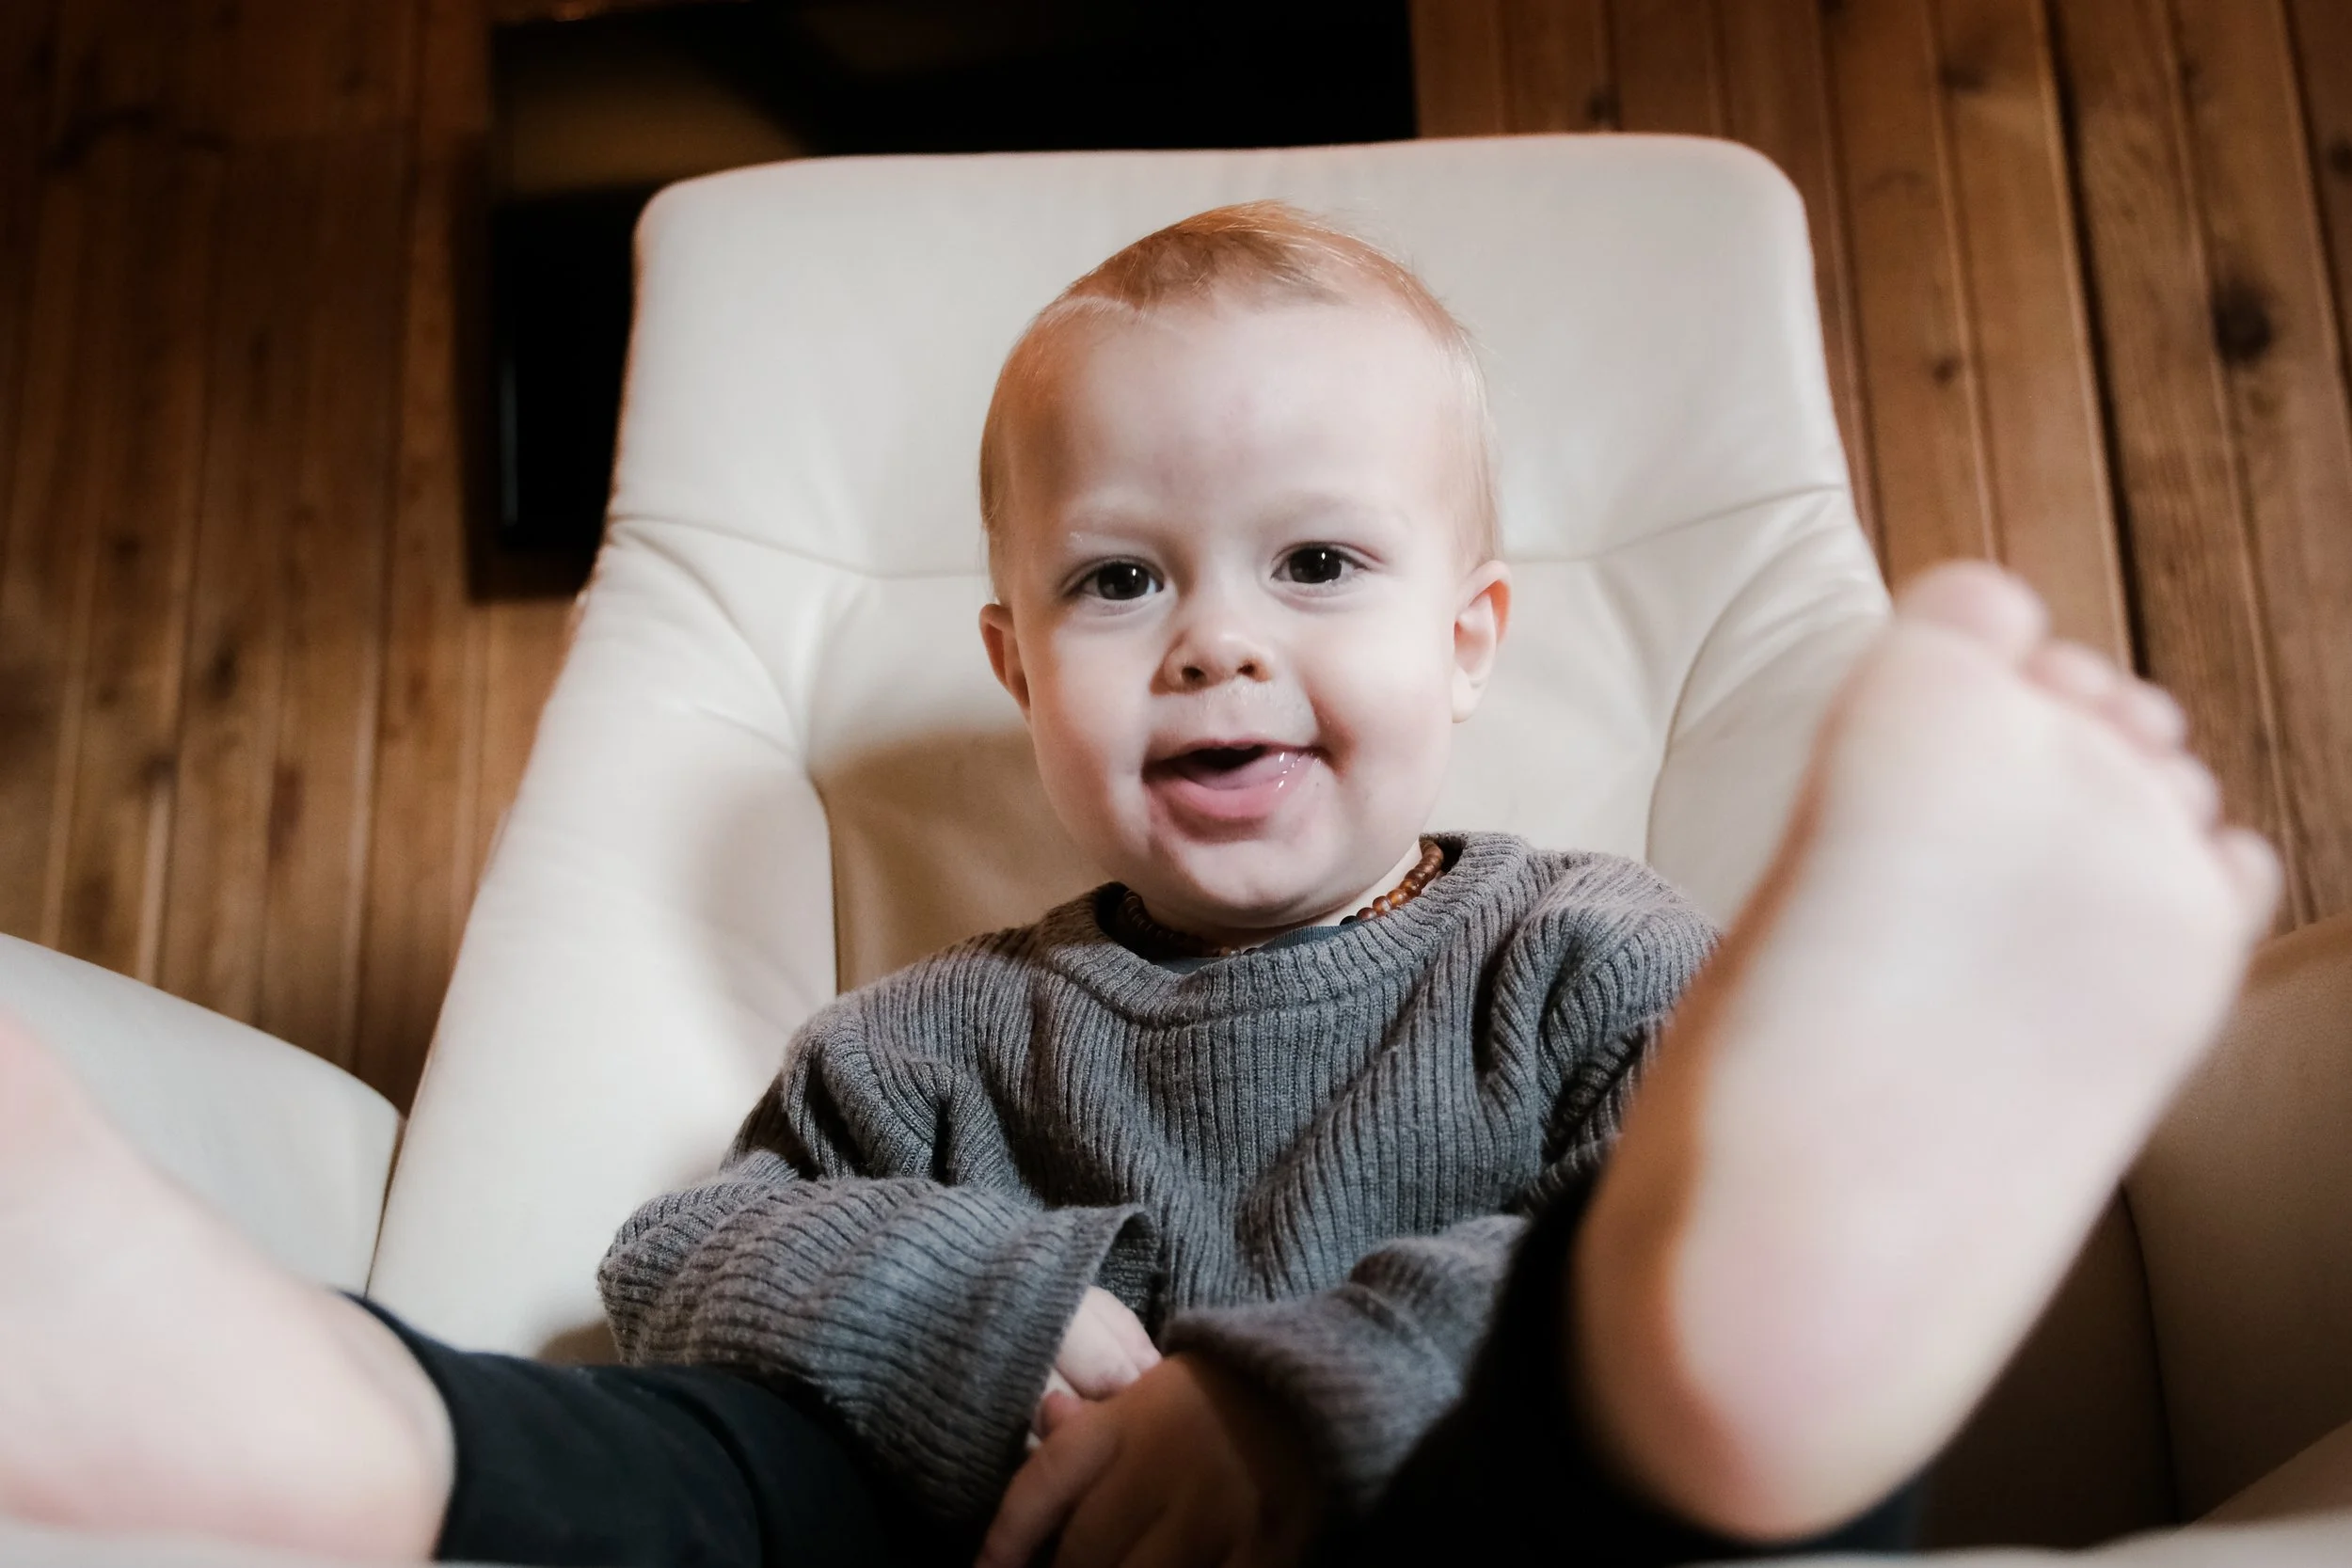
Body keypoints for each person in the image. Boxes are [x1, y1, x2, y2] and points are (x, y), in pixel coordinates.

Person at [0, 205, 2277, 1568]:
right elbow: (683, 1251)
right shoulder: (937, 1032)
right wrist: (993, 1332)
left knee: (1655, 1371)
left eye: (1314, 561)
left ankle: (1746, 1347)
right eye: (1116, 579)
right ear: (1019, 671)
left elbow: (1626, 1194)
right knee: (746, 1468)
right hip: (1017, 1533)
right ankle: (341, 1425)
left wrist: (1283, 1398)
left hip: (1472, 1519)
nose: (1212, 635)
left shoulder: (1579, 950)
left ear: (1465, 643)